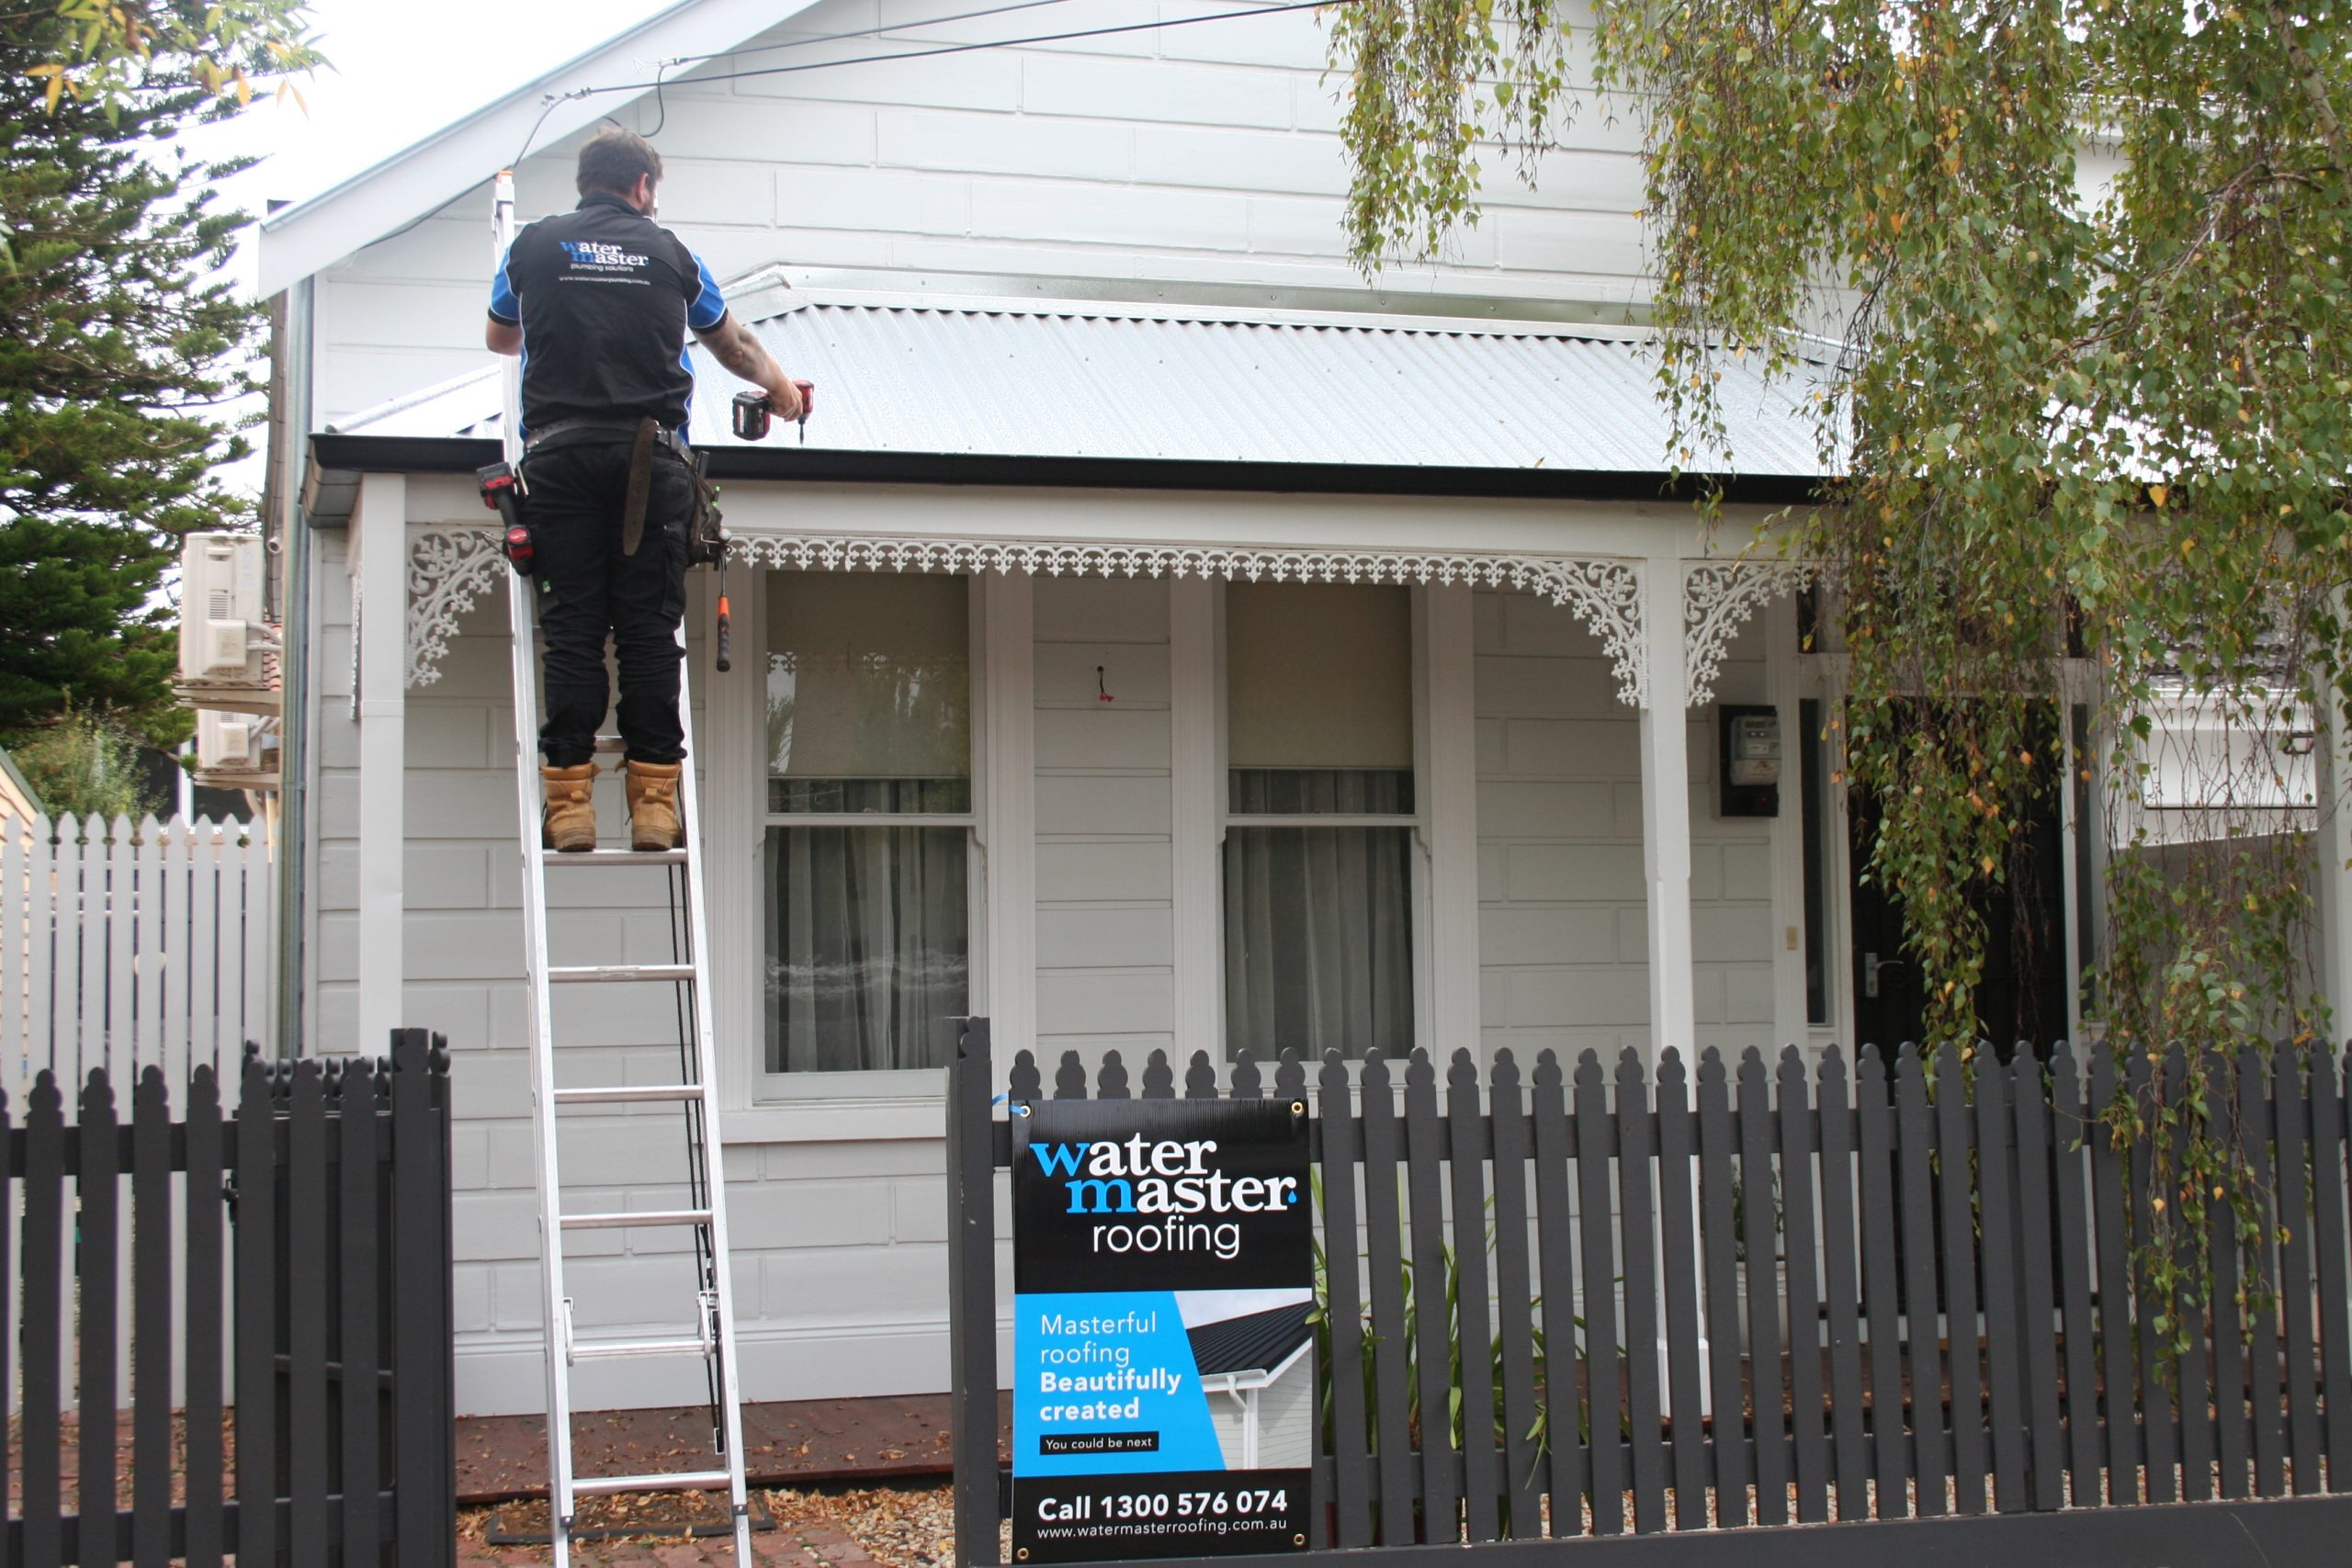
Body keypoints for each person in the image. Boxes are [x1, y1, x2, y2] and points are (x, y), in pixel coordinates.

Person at [485, 127, 808, 852]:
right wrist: (783, 392)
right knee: (646, 632)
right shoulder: (673, 256)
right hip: (651, 463)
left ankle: (570, 806)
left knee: (571, 629)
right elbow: (735, 346)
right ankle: (655, 806)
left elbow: (499, 337)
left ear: (585, 182)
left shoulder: (532, 248)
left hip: (561, 458)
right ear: (642, 188)